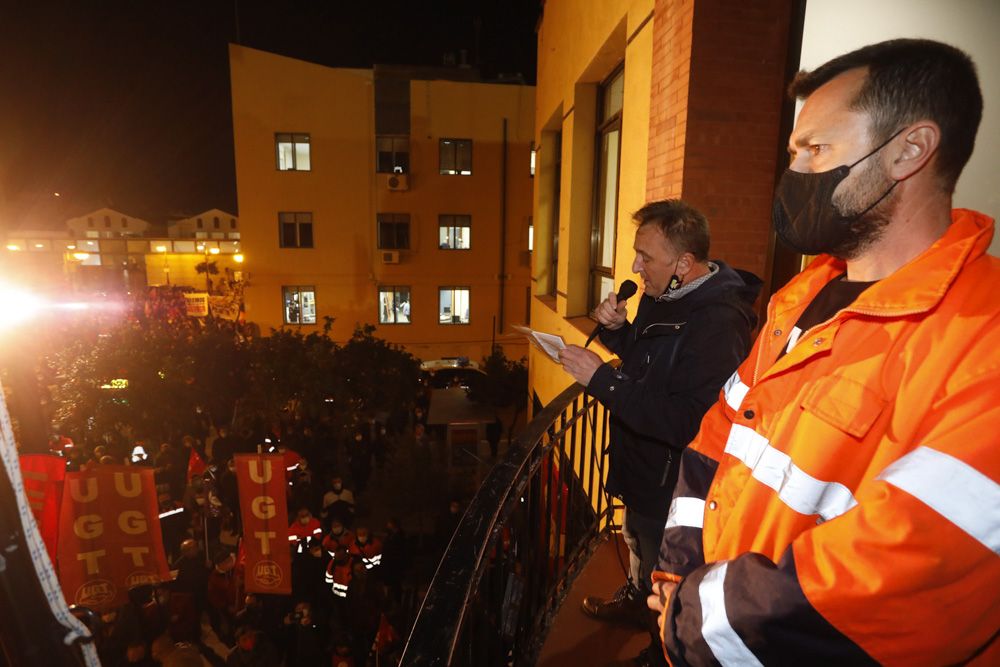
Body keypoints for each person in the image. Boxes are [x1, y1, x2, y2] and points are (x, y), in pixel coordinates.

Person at [648, 39, 998, 666]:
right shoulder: (797, 301)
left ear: (909, 151)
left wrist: (697, 615)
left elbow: (908, 573)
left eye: (817, 150)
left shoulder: (983, 335)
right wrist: (679, 567)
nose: (795, 173)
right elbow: (715, 439)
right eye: (793, 153)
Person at [558, 200, 760, 653]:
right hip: (643, 467)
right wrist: (616, 333)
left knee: (663, 570)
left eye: (644, 256)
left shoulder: (718, 324)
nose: (634, 266)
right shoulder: (664, 295)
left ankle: (661, 647)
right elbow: (650, 365)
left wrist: (601, 380)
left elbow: (691, 421)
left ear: (684, 263)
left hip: (670, 480)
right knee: (634, 538)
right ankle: (635, 601)